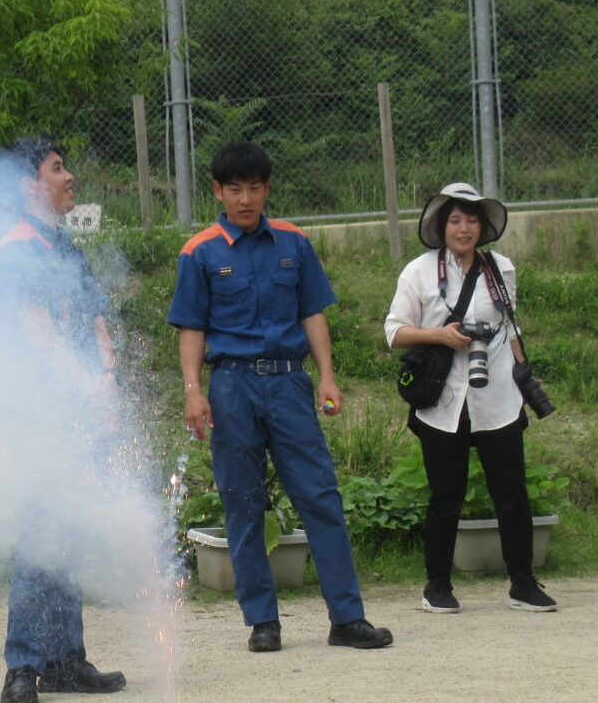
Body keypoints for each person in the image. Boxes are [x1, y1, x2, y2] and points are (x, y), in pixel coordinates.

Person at [168, 141, 393, 653]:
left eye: (254, 188)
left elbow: (313, 312)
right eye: (234, 189)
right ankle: (262, 622)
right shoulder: (199, 251)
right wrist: (193, 391)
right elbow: (191, 328)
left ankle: (347, 618)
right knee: (242, 502)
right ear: (218, 191)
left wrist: (327, 376)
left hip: (290, 383)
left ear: (267, 188)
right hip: (231, 387)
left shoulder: (295, 242)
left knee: (320, 495)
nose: (245, 199)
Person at [0, 138, 128, 703]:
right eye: (57, 168)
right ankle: (21, 666)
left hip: (80, 405)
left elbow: (94, 320)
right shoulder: (14, 250)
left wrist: (109, 380)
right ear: (29, 185)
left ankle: (66, 661)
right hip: (38, 415)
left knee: (70, 529)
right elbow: (39, 336)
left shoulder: (65, 246)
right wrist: (88, 388)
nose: (69, 176)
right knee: (40, 533)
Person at [384, 183, 557, 613]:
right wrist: (440, 335)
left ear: (483, 225)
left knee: (512, 493)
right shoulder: (419, 272)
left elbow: (510, 326)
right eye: (456, 220)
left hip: (498, 396)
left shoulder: (501, 268)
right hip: (443, 401)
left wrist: (525, 378)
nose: (464, 229)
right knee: (446, 497)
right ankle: (438, 587)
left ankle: (523, 584)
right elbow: (394, 332)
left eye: (472, 220)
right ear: (441, 226)